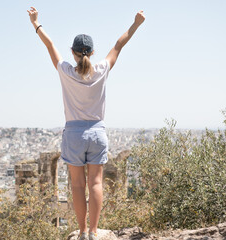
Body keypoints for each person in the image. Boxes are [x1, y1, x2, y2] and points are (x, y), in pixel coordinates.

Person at [27, 6, 145, 240]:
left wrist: (35, 23)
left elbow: (50, 46)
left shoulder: (65, 71)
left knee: (77, 185)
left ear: (72, 52)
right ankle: (93, 231)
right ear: (92, 53)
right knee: (96, 184)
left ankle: (81, 232)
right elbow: (119, 45)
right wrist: (136, 24)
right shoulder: (101, 70)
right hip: (97, 133)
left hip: (73, 134)